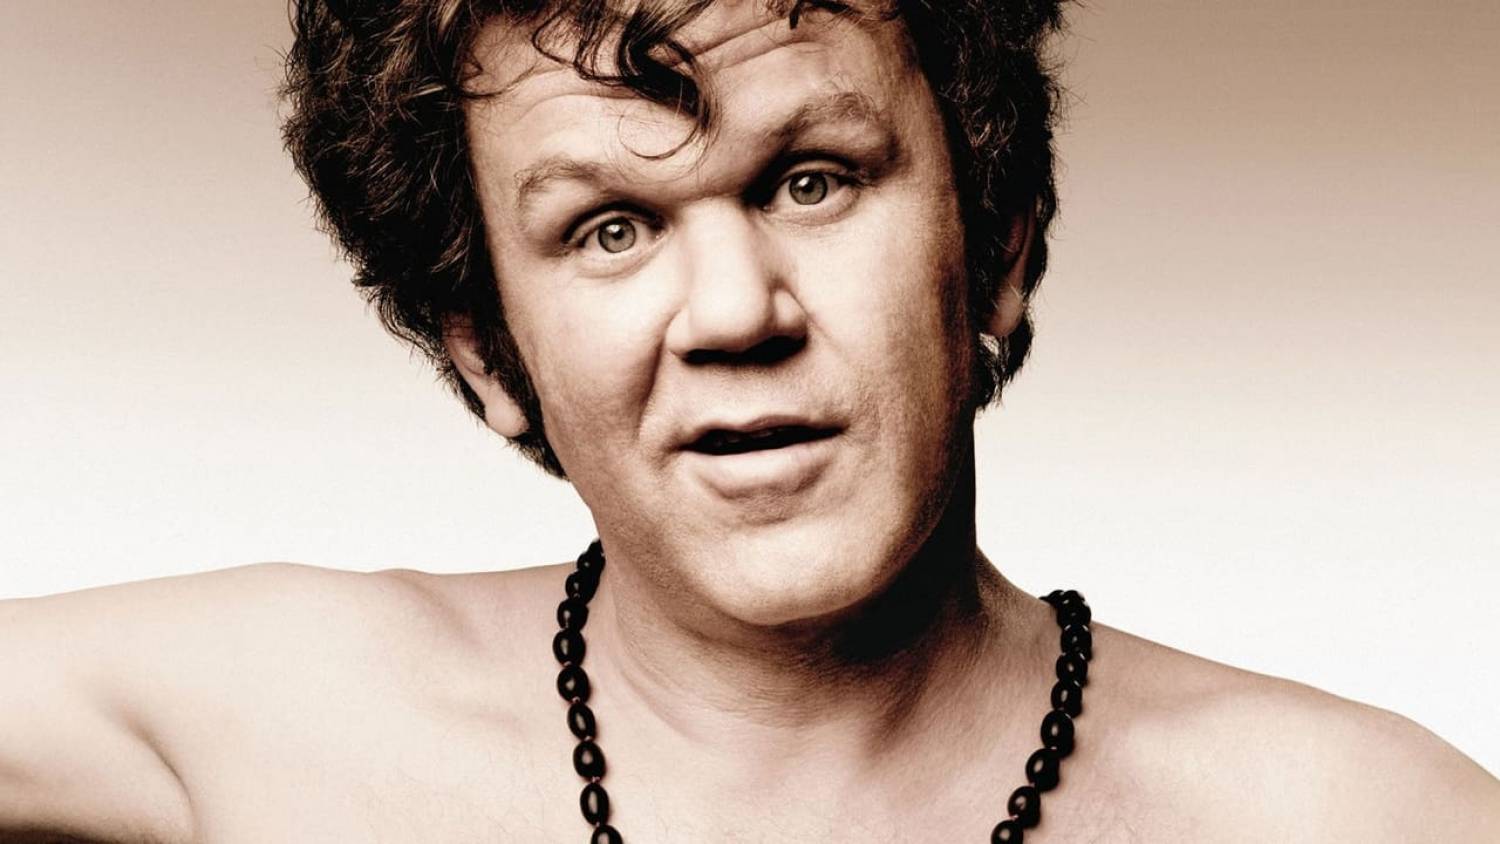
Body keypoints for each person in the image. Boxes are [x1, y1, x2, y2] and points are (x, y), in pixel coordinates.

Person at [2, 0, 1496, 841]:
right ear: (490, 357)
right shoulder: (277, 721)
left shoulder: (1356, 820)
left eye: (812, 180)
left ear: (999, 241)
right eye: (608, 227)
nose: (733, 311)